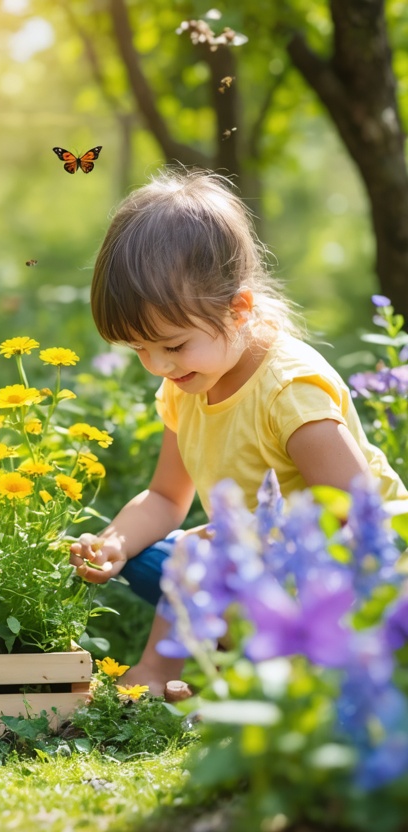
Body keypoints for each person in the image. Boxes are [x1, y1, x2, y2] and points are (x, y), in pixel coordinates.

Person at [69, 168, 408, 698]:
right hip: (261, 570)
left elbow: (355, 513)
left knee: (193, 558)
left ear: (239, 309)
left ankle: (164, 675)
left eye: (173, 345)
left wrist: (249, 537)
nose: (157, 365)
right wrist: (112, 542)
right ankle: (243, 659)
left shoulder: (288, 391)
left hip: (358, 575)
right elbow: (164, 497)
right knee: (146, 556)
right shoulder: (187, 384)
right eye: (139, 349)